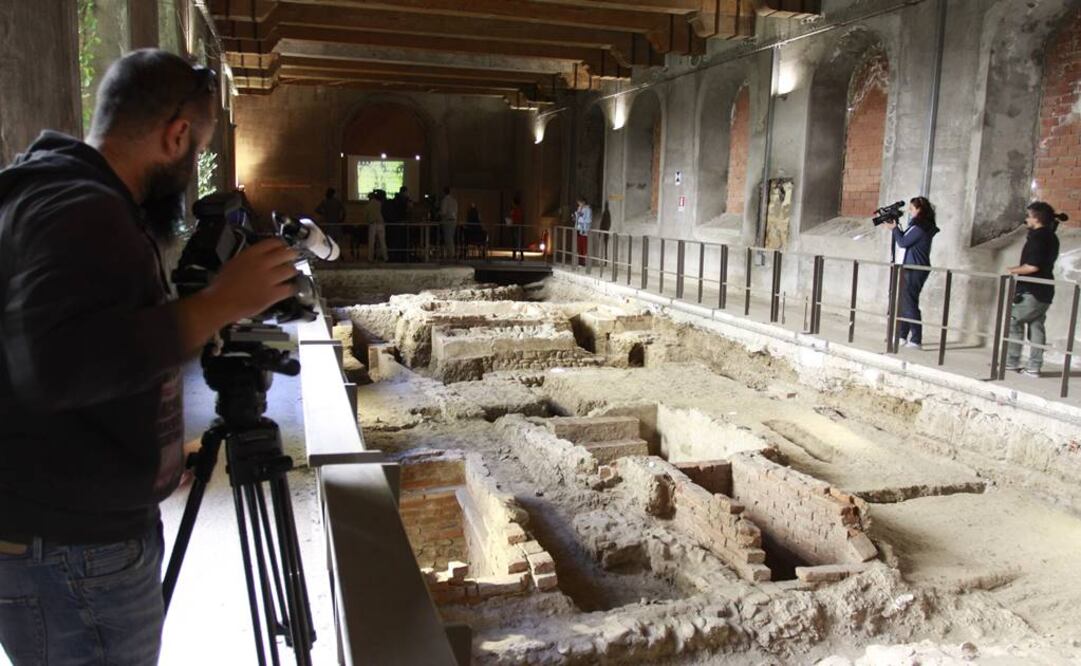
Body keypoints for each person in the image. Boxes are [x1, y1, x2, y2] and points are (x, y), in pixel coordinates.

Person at [0, 50, 298, 665]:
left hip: (68, 529)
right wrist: (216, 305)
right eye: (198, 150)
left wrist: (147, 455)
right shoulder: (80, 211)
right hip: (72, 551)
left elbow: (89, 341)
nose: (192, 169)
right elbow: (55, 365)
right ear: (177, 135)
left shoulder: (62, 193)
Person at [1005, 201, 1065, 377]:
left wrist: (1011, 270)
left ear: (1036, 218)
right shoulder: (1051, 236)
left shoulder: (1039, 237)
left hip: (1032, 290)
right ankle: (1034, 367)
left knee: (1014, 321)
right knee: (1036, 325)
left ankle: (1012, 361)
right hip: (1044, 291)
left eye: (1028, 216)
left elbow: (1032, 266)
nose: (1026, 219)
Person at [885, 196, 939, 350]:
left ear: (920, 210)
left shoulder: (920, 227)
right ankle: (902, 335)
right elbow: (905, 241)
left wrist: (894, 229)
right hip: (910, 267)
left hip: (914, 268)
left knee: (909, 303)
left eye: (912, 209)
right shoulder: (918, 226)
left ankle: (916, 339)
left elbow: (903, 242)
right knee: (904, 302)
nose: (909, 211)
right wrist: (896, 229)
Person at [315, 187, 347, 257]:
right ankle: (338, 254)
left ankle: (332, 254)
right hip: (336, 224)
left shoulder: (325, 201)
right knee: (337, 240)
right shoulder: (337, 201)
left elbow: (317, 210)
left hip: (329, 224)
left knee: (330, 241)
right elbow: (344, 212)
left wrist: (324, 214)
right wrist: (341, 220)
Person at [365, 189, 388, 262]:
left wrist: (368, 221)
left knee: (371, 242)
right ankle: (385, 257)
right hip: (381, 224)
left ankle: (370, 258)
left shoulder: (368, 205)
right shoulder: (380, 203)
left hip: (372, 225)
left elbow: (366, 216)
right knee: (382, 242)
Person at [439, 186, 458, 258]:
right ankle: (451, 253)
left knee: (447, 238)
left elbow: (443, 212)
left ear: (444, 192)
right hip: (454, 221)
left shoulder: (444, 200)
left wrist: (438, 213)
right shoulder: (454, 200)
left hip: (447, 221)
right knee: (451, 238)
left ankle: (450, 254)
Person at [573, 196, 592, 266]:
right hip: (578, 229)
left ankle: (584, 262)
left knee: (584, 246)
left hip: (584, 230)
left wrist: (581, 218)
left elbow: (588, 220)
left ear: (583, 202)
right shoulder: (579, 208)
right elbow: (577, 218)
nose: (579, 204)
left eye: (580, 203)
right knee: (579, 245)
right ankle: (580, 261)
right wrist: (576, 216)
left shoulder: (588, 209)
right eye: (578, 203)